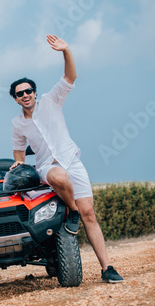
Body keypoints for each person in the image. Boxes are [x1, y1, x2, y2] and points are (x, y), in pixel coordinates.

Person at [9, 34, 123, 284]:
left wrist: (66, 50)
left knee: (89, 214)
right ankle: (72, 211)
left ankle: (107, 269)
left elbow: (70, 77)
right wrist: (18, 163)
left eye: (28, 91)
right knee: (60, 179)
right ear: (16, 99)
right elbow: (19, 152)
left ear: (35, 93)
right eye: (20, 94)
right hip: (47, 168)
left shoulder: (52, 101)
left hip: (72, 160)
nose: (25, 95)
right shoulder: (17, 124)